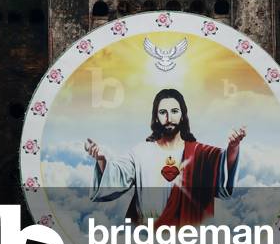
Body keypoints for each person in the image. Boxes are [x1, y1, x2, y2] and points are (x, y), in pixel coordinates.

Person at [86, 87, 245, 226]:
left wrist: (233, 147)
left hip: (188, 242)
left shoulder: (200, 154)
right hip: (148, 240)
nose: (169, 117)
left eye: (174, 111)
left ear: (183, 115)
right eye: (163, 112)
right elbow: (116, 175)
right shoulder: (140, 152)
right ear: (156, 117)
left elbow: (223, 169)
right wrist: (102, 159)